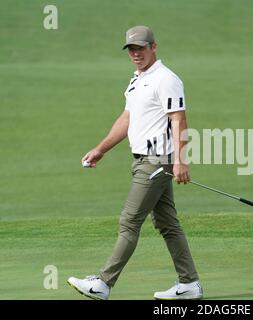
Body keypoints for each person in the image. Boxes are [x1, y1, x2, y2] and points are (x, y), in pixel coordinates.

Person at [67, 25, 203, 300]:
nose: (136, 53)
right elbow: (126, 119)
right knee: (168, 224)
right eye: (131, 49)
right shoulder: (136, 80)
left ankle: (103, 283)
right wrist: (101, 149)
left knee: (129, 221)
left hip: (156, 162)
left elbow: (178, 119)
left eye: (141, 48)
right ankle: (189, 284)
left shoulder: (166, 79)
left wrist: (181, 160)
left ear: (154, 47)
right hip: (143, 160)